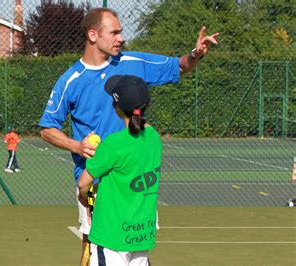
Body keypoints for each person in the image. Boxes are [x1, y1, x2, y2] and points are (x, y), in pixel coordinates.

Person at [38, 7, 219, 264]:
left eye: (120, 32)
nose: (121, 38)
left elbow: (177, 67)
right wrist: (77, 146)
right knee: (92, 249)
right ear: (93, 35)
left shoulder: (131, 63)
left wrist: (196, 54)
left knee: (133, 251)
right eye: (114, 32)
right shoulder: (70, 80)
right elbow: (47, 129)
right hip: (95, 185)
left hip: (132, 183)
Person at [78, 75, 159, 265]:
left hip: (111, 236)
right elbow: (132, 152)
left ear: (117, 107)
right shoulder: (154, 138)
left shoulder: (113, 144)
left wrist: (87, 197)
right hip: (140, 235)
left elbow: (83, 183)